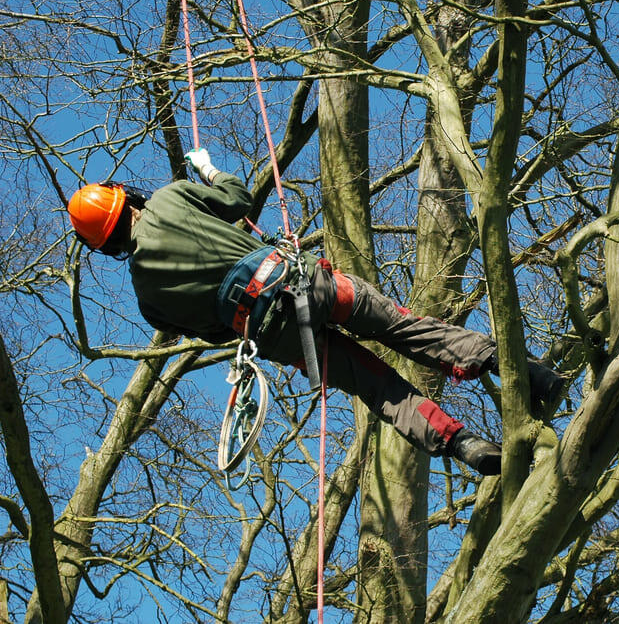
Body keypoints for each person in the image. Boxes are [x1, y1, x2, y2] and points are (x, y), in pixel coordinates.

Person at [67, 149, 565, 476]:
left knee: (380, 389)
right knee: (402, 327)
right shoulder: (170, 200)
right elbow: (239, 199)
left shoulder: (147, 298)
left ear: (106, 245)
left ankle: (462, 444)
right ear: (124, 196)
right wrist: (209, 169)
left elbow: (214, 332)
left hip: (276, 334)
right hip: (305, 283)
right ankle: (529, 373)